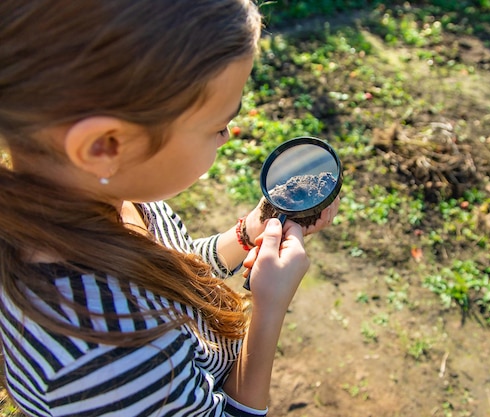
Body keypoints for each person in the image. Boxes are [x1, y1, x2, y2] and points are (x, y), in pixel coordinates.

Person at [0, 1, 339, 416]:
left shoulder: (113, 198)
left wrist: (247, 232)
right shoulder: (108, 357)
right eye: (217, 124)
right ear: (104, 146)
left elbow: (167, 269)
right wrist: (269, 311)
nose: (228, 135)